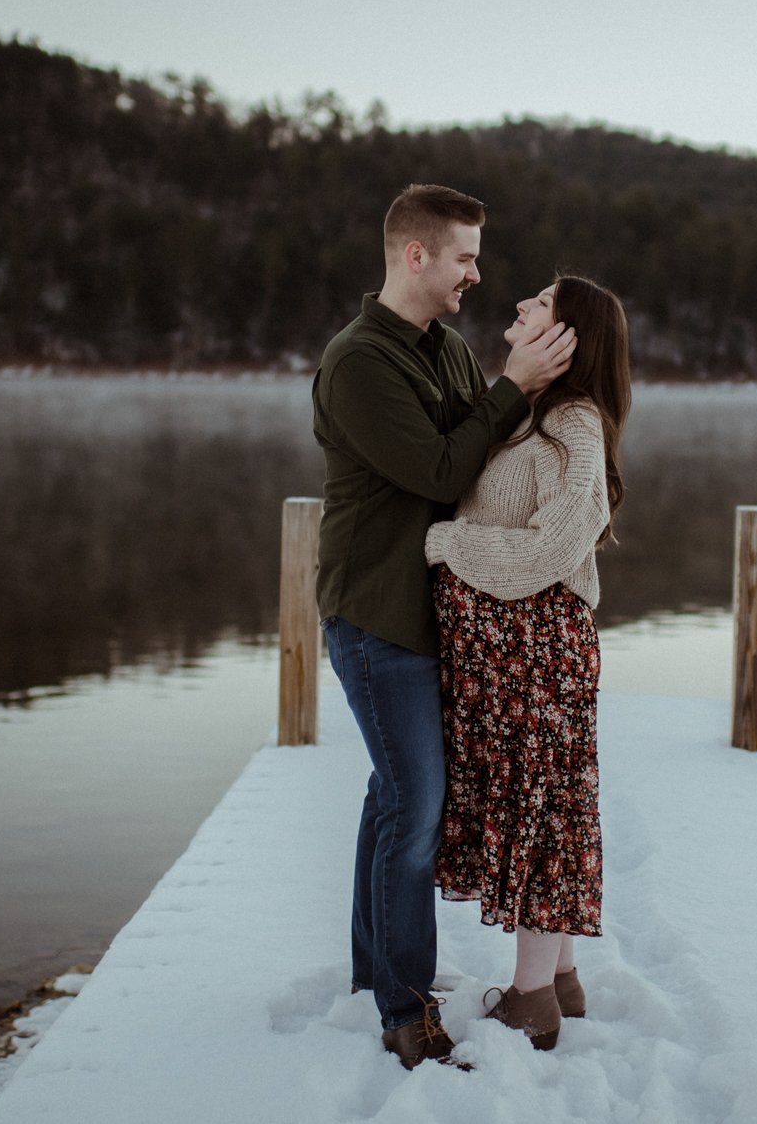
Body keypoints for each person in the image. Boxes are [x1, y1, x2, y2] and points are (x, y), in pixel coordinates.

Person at [312, 183, 576, 1070]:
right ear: (415, 254)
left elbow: (483, 451)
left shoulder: (447, 352)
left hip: (424, 621)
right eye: (464, 255)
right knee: (416, 811)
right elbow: (435, 467)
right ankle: (403, 1011)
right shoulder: (359, 361)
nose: (476, 272)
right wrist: (513, 386)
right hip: (377, 614)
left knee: (393, 797)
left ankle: (369, 976)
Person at [424, 273, 632, 1053]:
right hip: (504, 660)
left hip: (536, 654)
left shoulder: (576, 424)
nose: (519, 306)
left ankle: (531, 995)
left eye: (539, 303)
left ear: (568, 336)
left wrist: (445, 544)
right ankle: (564, 976)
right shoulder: (526, 416)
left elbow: (552, 548)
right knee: (539, 803)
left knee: (541, 812)